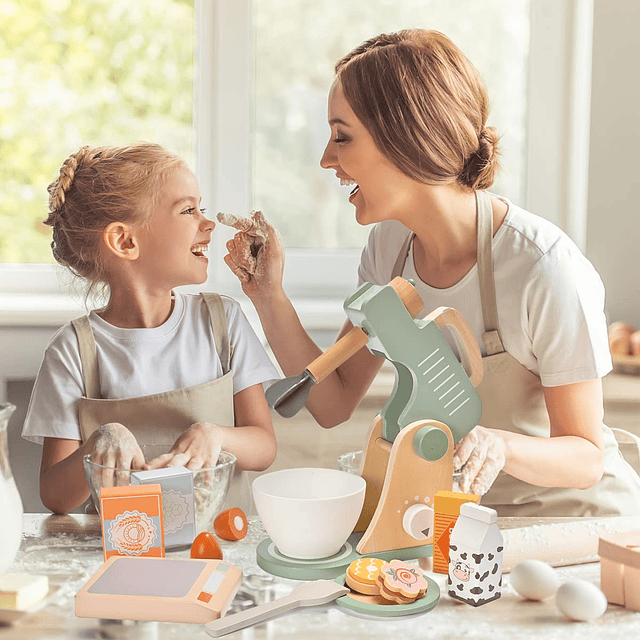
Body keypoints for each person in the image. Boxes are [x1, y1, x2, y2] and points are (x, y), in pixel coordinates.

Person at [222, 29, 640, 516]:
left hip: (573, 527)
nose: (326, 159)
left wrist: (499, 446)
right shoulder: (390, 250)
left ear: (408, 139)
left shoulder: (542, 268)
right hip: (465, 524)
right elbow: (332, 403)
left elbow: (585, 457)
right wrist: (268, 295)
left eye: (342, 136)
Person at [22, 142, 278, 515]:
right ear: (125, 241)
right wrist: (99, 443)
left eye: (201, 207)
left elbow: (264, 448)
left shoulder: (223, 321)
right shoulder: (73, 350)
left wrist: (216, 436)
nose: (207, 223)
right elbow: (55, 496)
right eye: (188, 210)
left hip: (221, 548)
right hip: (124, 555)